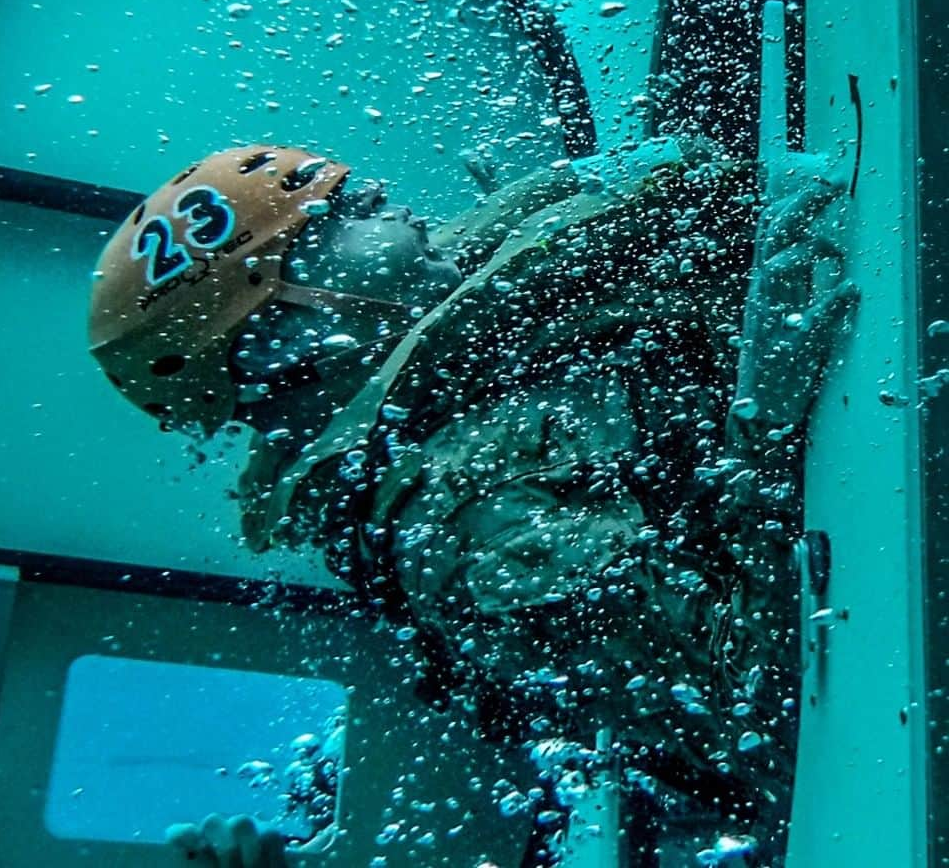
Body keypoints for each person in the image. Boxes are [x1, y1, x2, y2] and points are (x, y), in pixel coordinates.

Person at [88, 140, 855, 866]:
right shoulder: (466, 530)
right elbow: (775, 715)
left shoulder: (460, 367)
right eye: (339, 213)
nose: (379, 194)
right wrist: (767, 430)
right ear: (295, 337)